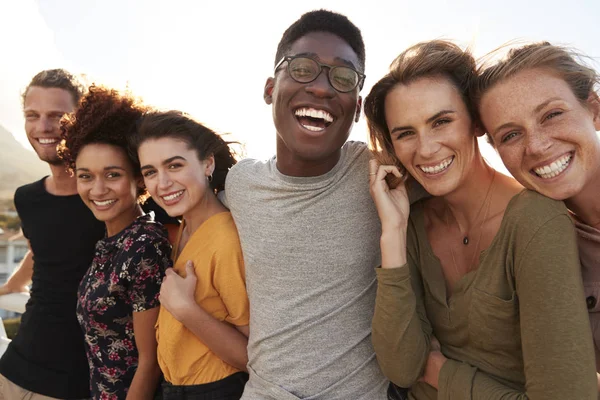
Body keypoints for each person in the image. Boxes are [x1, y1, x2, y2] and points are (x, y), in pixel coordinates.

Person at [364, 40, 596, 399]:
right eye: (405, 133)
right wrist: (392, 234)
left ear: (476, 124)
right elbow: (401, 367)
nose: (425, 149)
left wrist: (444, 375)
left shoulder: (536, 218)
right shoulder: (412, 222)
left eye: (441, 122)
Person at [222, 9, 393, 400]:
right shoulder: (242, 183)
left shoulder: (379, 173)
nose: (321, 88)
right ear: (269, 89)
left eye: (343, 77)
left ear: (357, 106)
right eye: (302, 69)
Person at [473, 42, 600, 377]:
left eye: (552, 115)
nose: (537, 146)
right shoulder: (545, 249)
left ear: (595, 110)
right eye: (511, 135)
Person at [0, 69, 106, 399]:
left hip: (73, 383)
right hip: (14, 367)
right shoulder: (27, 197)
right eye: (33, 115)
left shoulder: (108, 198)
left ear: (81, 119)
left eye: (57, 116)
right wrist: (13, 285)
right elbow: (42, 249)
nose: (43, 127)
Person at [59, 85, 170, 399]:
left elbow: (150, 363)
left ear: (137, 177)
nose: (97, 190)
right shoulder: (111, 241)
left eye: (112, 175)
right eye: (85, 176)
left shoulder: (145, 246)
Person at [131, 111, 250, 400]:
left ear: (208, 163)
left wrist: (186, 310)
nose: (162, 183)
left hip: (215, 391)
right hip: (175, 388)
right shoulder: (185, 226)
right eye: (150, 172)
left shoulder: (225, 239)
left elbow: (252, 356)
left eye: (174, 165)